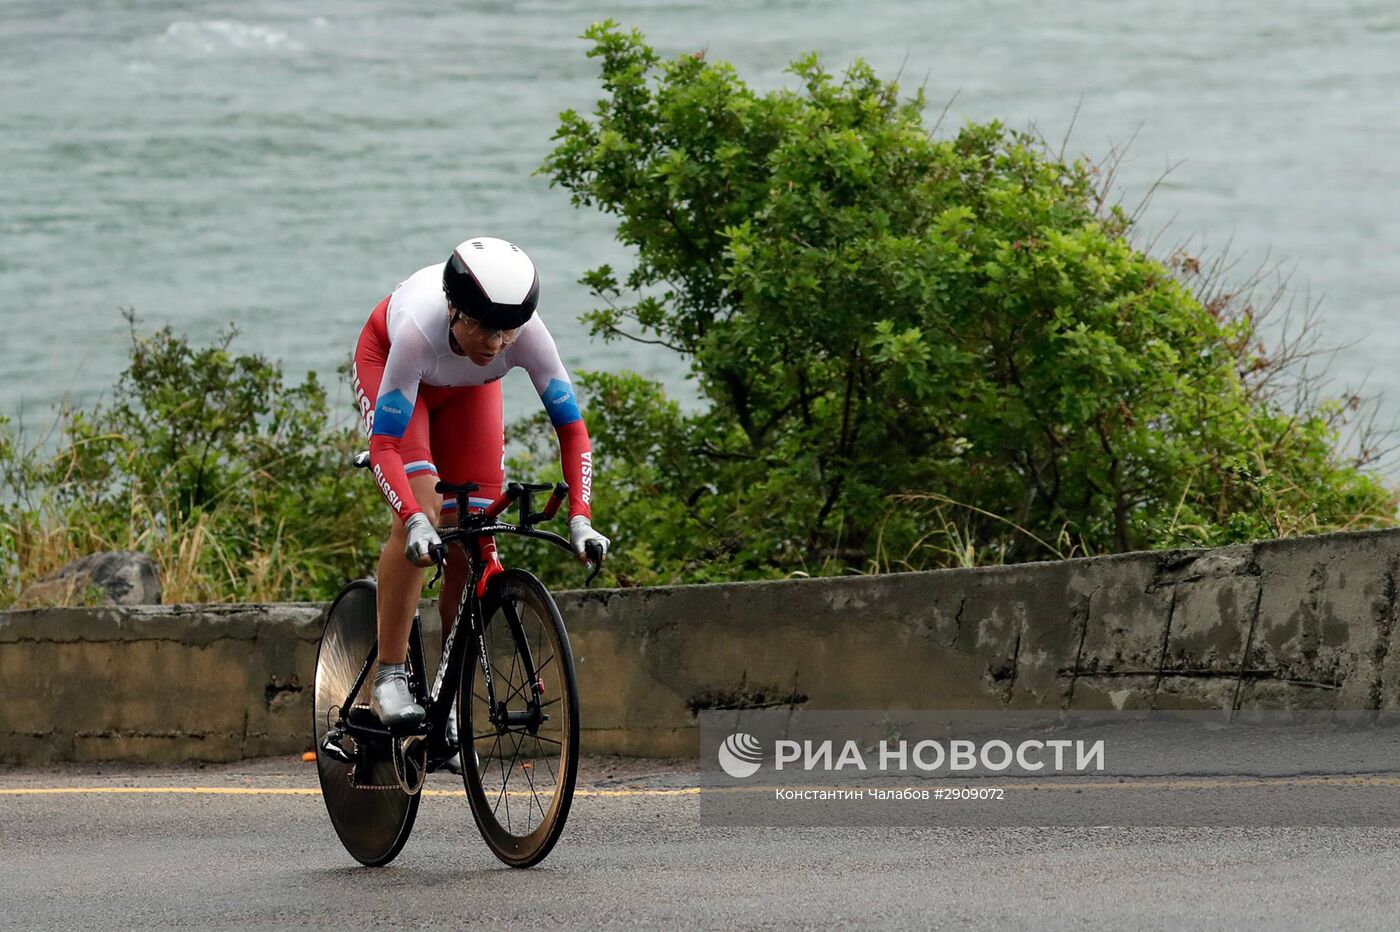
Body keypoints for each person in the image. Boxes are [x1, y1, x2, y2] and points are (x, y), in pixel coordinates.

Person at [351, 236, 609, 732]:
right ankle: (389, 675)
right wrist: (411, 519)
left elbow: (573, 431)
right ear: (454, 310)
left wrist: (581, 517)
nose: (494, 344)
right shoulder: (415, 334)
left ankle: (450, 692)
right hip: (393, 368)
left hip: (471, 390)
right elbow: (385, 445)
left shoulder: (526, 336)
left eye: (506, 333)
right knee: (423, 514)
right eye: (484, 329)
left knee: (476, 531)